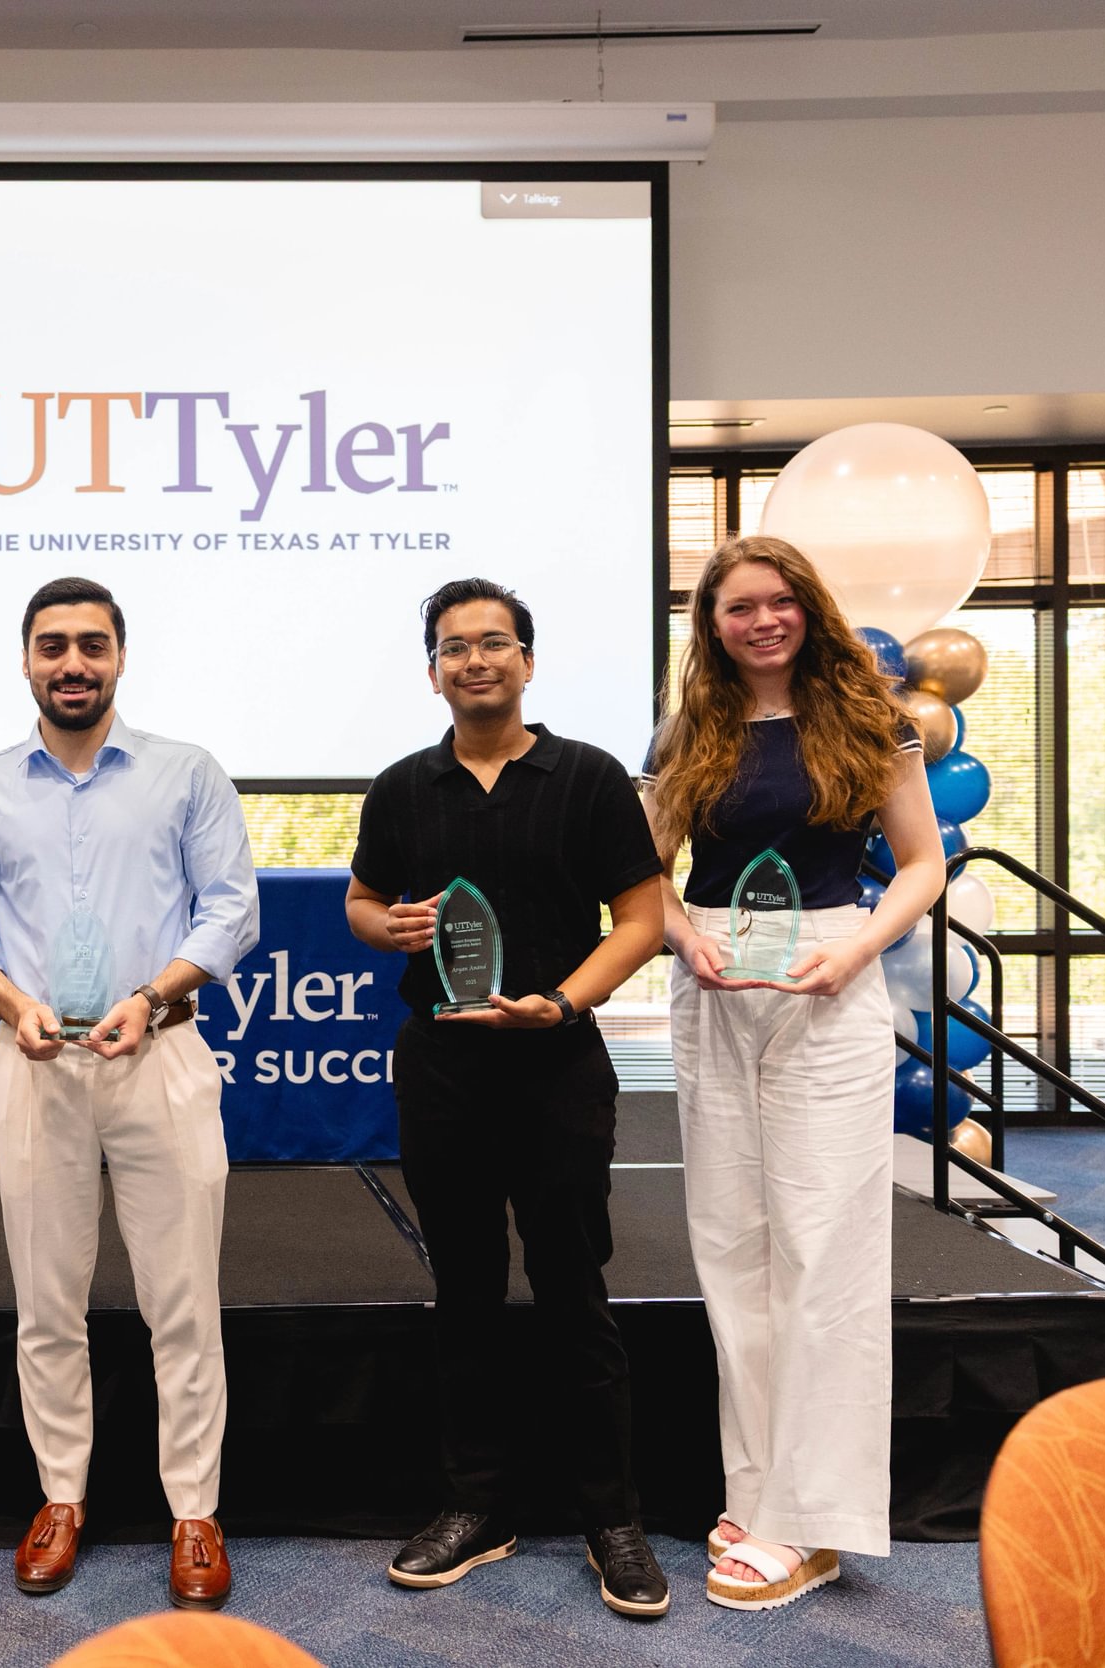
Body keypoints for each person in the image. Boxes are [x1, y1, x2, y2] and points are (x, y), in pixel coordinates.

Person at [0, 576, 260, 1611]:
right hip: (31, 1062)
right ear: (26, 659)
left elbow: (232, 909)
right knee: (46, 1301)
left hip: (155, 1052)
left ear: (120, 656)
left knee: (182, 1301)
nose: (73, 663)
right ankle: (60, 1496)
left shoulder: (185, 774)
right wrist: (5, 1000)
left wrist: (154, 997)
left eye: (92, 646)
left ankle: (193, 1510)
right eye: (53, 646)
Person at [344, 578, 673, 1619]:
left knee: (575, 1288)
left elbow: (641, 916)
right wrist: (382, 927)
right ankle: (474, 1507)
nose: (474, 661)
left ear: (527, 661)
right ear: (432, 670)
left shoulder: (584, 780)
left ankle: (610, 1518)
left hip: (555, 1067)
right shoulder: (403, 788)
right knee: (466, 1292)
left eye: (494, 643)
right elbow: (361, 898)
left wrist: (565, 1004)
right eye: (453, 648)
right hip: (441, 1070)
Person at [640, 534, 944, 1611]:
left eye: (777, 602)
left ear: (806, 608)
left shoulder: (871, 723)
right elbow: (647, 878)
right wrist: (683, 938)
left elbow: (921, 863)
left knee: (824, 1251)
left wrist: (859, 947)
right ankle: (760, 1490)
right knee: (734, 1250)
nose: (760, 621)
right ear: (710, 626)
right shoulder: (689, 732)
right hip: (716, 991)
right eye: (736, 608)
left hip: (827, 978)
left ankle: (813, 1524)